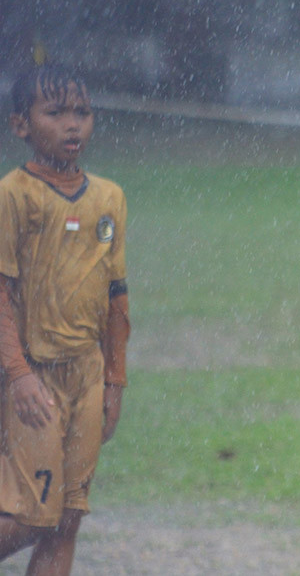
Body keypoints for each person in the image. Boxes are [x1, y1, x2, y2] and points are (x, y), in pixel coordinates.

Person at [0, 63, 129, 575]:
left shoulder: (109, 198)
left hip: (88, 375)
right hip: (34, 376)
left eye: (82, 112)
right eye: (55, 113)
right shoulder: (13, 194)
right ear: (21, 125)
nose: (72, 124)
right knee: (31, 518)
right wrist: (18, 374)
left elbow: (117, 299)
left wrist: (114, 382)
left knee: (67, 519)